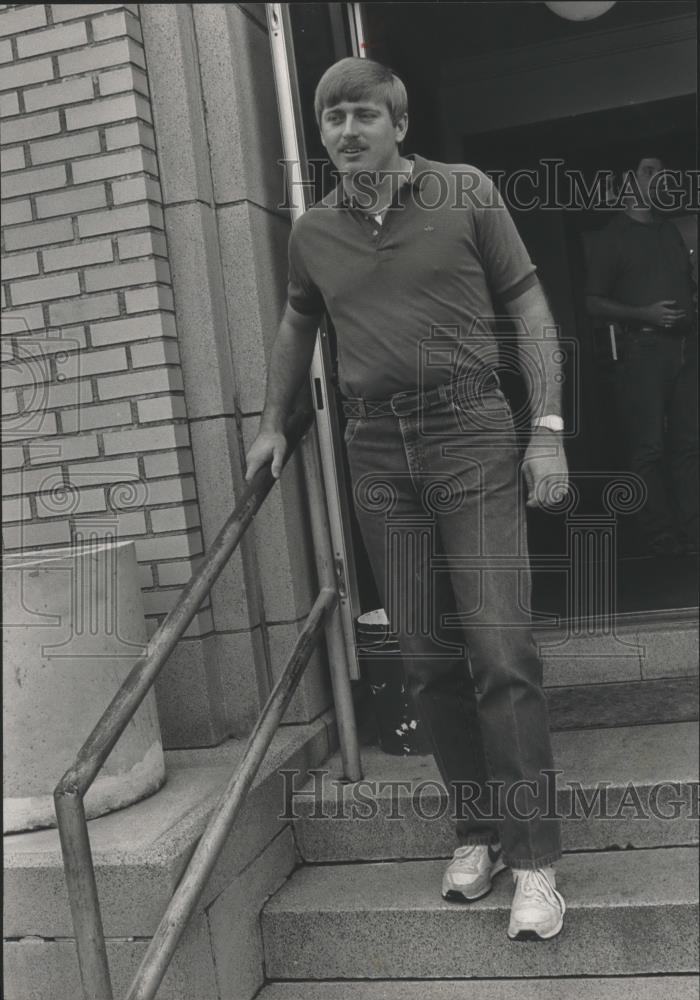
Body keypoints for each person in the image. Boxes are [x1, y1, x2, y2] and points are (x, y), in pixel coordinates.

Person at [245, 57, 568, 941]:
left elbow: (530, 306)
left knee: (501, 647)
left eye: (361, 115)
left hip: (468, 430)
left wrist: (545, 426)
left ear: (399, 123)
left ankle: (538, 862)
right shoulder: (313, 230)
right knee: (427, 656)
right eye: (330, 119)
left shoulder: (464, 191)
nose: (345, 132)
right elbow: (297, 321)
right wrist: (275, 424)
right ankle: (480, 835)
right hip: (377, 447)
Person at [585, 153, 698, 556]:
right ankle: (659, 535)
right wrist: (642, 314)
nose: (659, 177)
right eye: (650, 171)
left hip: (686, 348)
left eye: (663, 172)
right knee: (648, 446)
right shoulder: (612, 237)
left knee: (688, 443)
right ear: (629, 181)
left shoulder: (669, 231)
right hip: (643, 350)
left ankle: (693, 533)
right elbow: (593, 303)